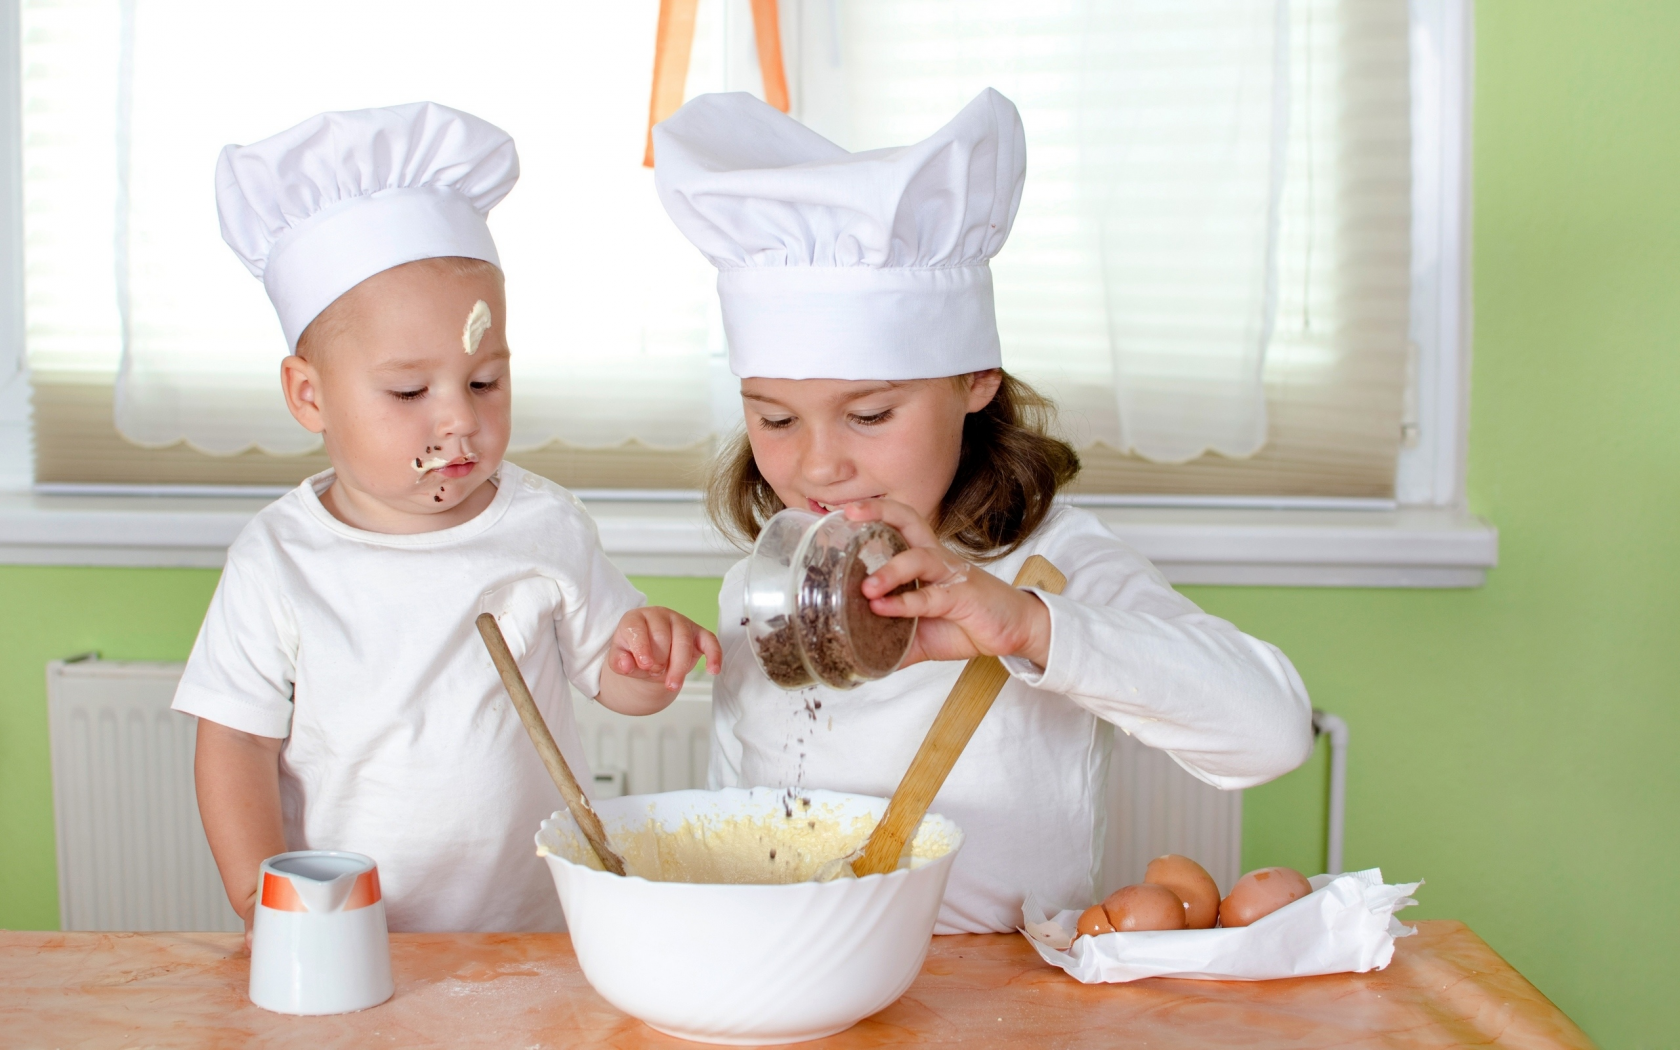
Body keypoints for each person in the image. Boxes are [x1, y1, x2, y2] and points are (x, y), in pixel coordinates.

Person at [653, 89, 1314, 933]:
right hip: (796, 979)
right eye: (774, 418)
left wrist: (1027, 627)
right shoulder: (764, 586)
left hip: (993, 998)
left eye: (870, 415)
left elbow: (1272, 733)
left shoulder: (1056, 565)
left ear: (974, 380)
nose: (817, 463)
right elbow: (740, 811)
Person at [175, 102, 720, 938]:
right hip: (354, 933)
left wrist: (648, 663)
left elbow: (613, 678)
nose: (457, 420)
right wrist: (261, 896)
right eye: (407, 392)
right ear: (308, 395)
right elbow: (236, 743)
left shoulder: (544, 527)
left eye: (485, 381)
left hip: (533, 930)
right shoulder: (280, 559)